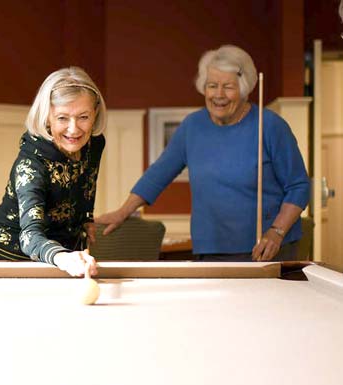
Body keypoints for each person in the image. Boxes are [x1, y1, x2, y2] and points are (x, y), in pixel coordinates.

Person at [96, 45, 310, 262]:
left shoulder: (271, 126)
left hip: (266, 248)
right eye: (212, 85)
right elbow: (157, 176)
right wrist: (123, 212)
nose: (219, 95)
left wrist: (277, 231)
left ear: (245, 89)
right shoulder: (192, 126)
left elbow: (299, 186)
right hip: (211, 248)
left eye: (228, 87)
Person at [0, 66, 107, 276]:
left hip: (65, 253)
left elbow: (87, 182)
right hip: (13, 256)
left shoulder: (94, 144)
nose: (74, 128)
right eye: (62, 118)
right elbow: (29, 235)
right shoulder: (31, 165)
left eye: (83, 117)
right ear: (46, 117)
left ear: (95, 113)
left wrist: (87, 217)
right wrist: (63, 258)